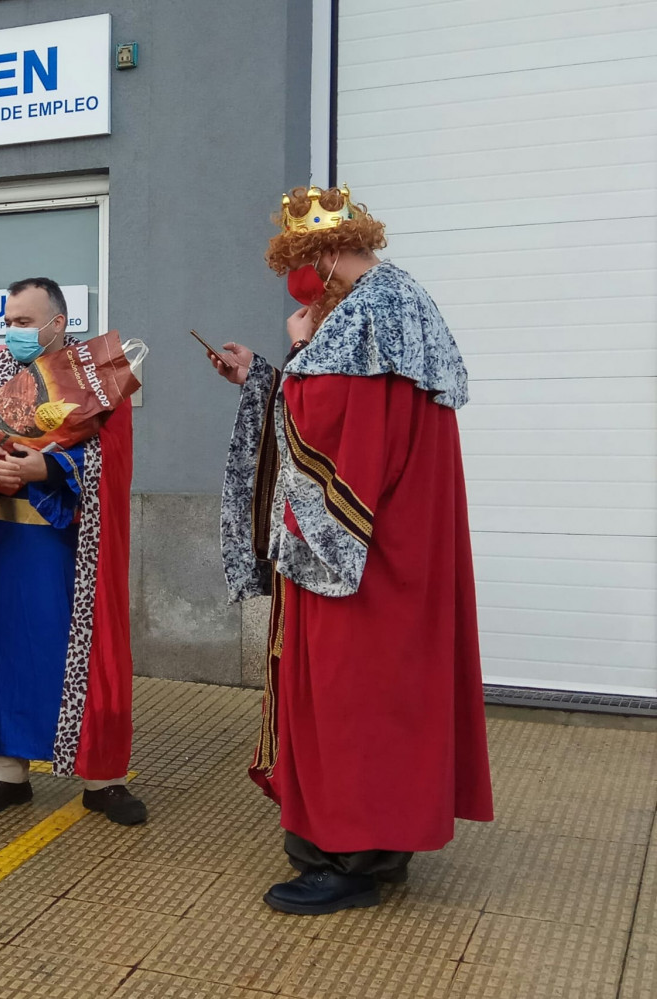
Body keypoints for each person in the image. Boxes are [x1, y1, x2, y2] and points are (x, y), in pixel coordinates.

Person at [214, 185, 493, 914]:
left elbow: (338, 434)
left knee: (348, 698)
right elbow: (338, 415)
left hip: (354, 557)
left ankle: (343, 857)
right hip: (402, 548)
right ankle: (379, 846)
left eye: (300, 266)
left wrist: (299, 352)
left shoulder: (359, 318)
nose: (296, 284)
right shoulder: (398, 304)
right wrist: (267, 377)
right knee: (390, 698)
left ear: (325, 258)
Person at [0, 278, 146, 825]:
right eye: (8, 320)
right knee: (5, 653)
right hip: (2, 543)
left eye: (23, 321)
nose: (12, 331)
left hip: (70, 547)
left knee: (88, 651)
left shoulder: (97, 376)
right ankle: (5, 774)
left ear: (56, 325)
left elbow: (113, 452)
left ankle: (103, 779)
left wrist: (50, 467)